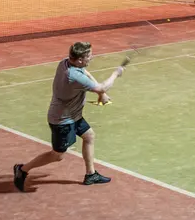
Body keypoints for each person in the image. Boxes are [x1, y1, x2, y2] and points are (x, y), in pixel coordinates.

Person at [13, 41, 125, 192]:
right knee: (57, 156)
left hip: (73, 115)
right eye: (89, 56)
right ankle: (22, 169)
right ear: (79, 60)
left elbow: (86, 73)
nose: (91, 58)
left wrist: (101, 94)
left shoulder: (65, 62)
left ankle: (90, 174)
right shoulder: (73, 76)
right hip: (62, 120)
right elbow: (102, 86)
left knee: (89, 136)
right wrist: (116, 74)